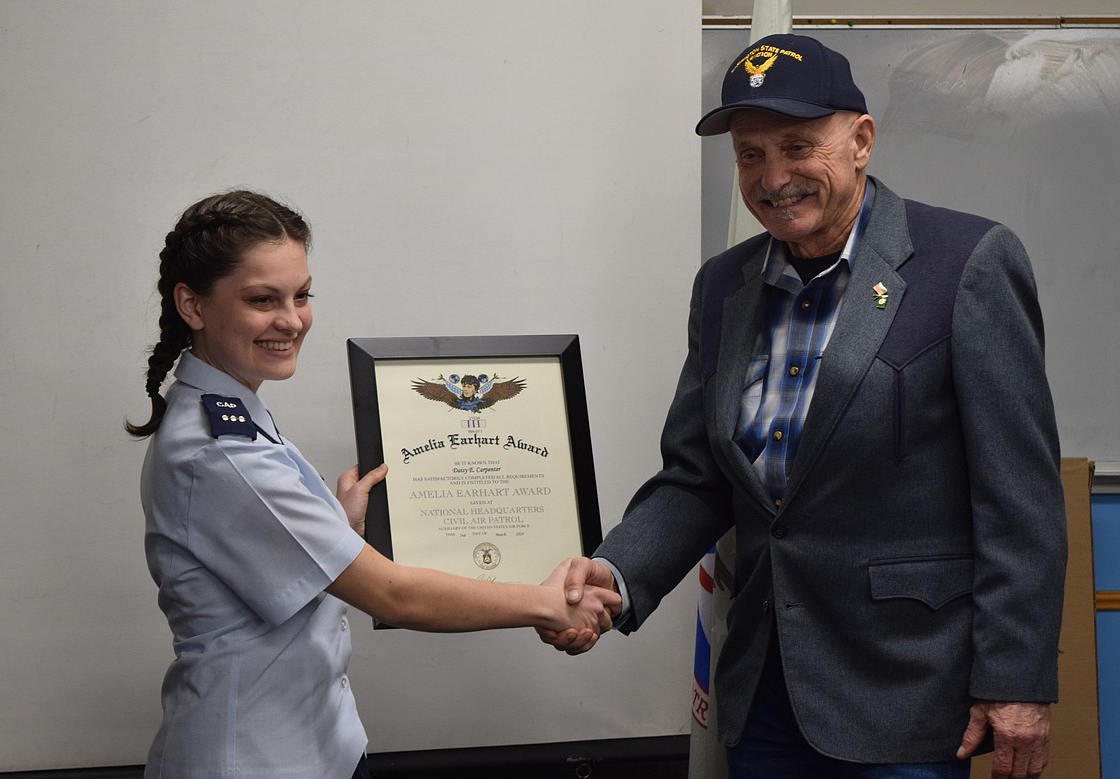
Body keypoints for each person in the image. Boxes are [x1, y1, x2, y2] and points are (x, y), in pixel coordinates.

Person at [545, 34, 1067, 779]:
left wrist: (1017, 681)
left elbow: (1021, 500)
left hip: (906, 692)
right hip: (765, 690)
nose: (773, 176)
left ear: (861, 141)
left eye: (797, 146)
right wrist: (615, 576)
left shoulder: (966, 263)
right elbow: (697, 477)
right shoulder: (723, 286)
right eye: (750, 154)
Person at [125, 190, 620, 779]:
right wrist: (548, 603)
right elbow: (393, 595)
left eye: (302, 295)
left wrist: (335, 526)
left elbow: (265, 556)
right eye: (263, 300)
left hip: (312, 743)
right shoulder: (218, 449)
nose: (292, 319)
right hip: (257, 757)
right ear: (193, 305)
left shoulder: (230, 410)